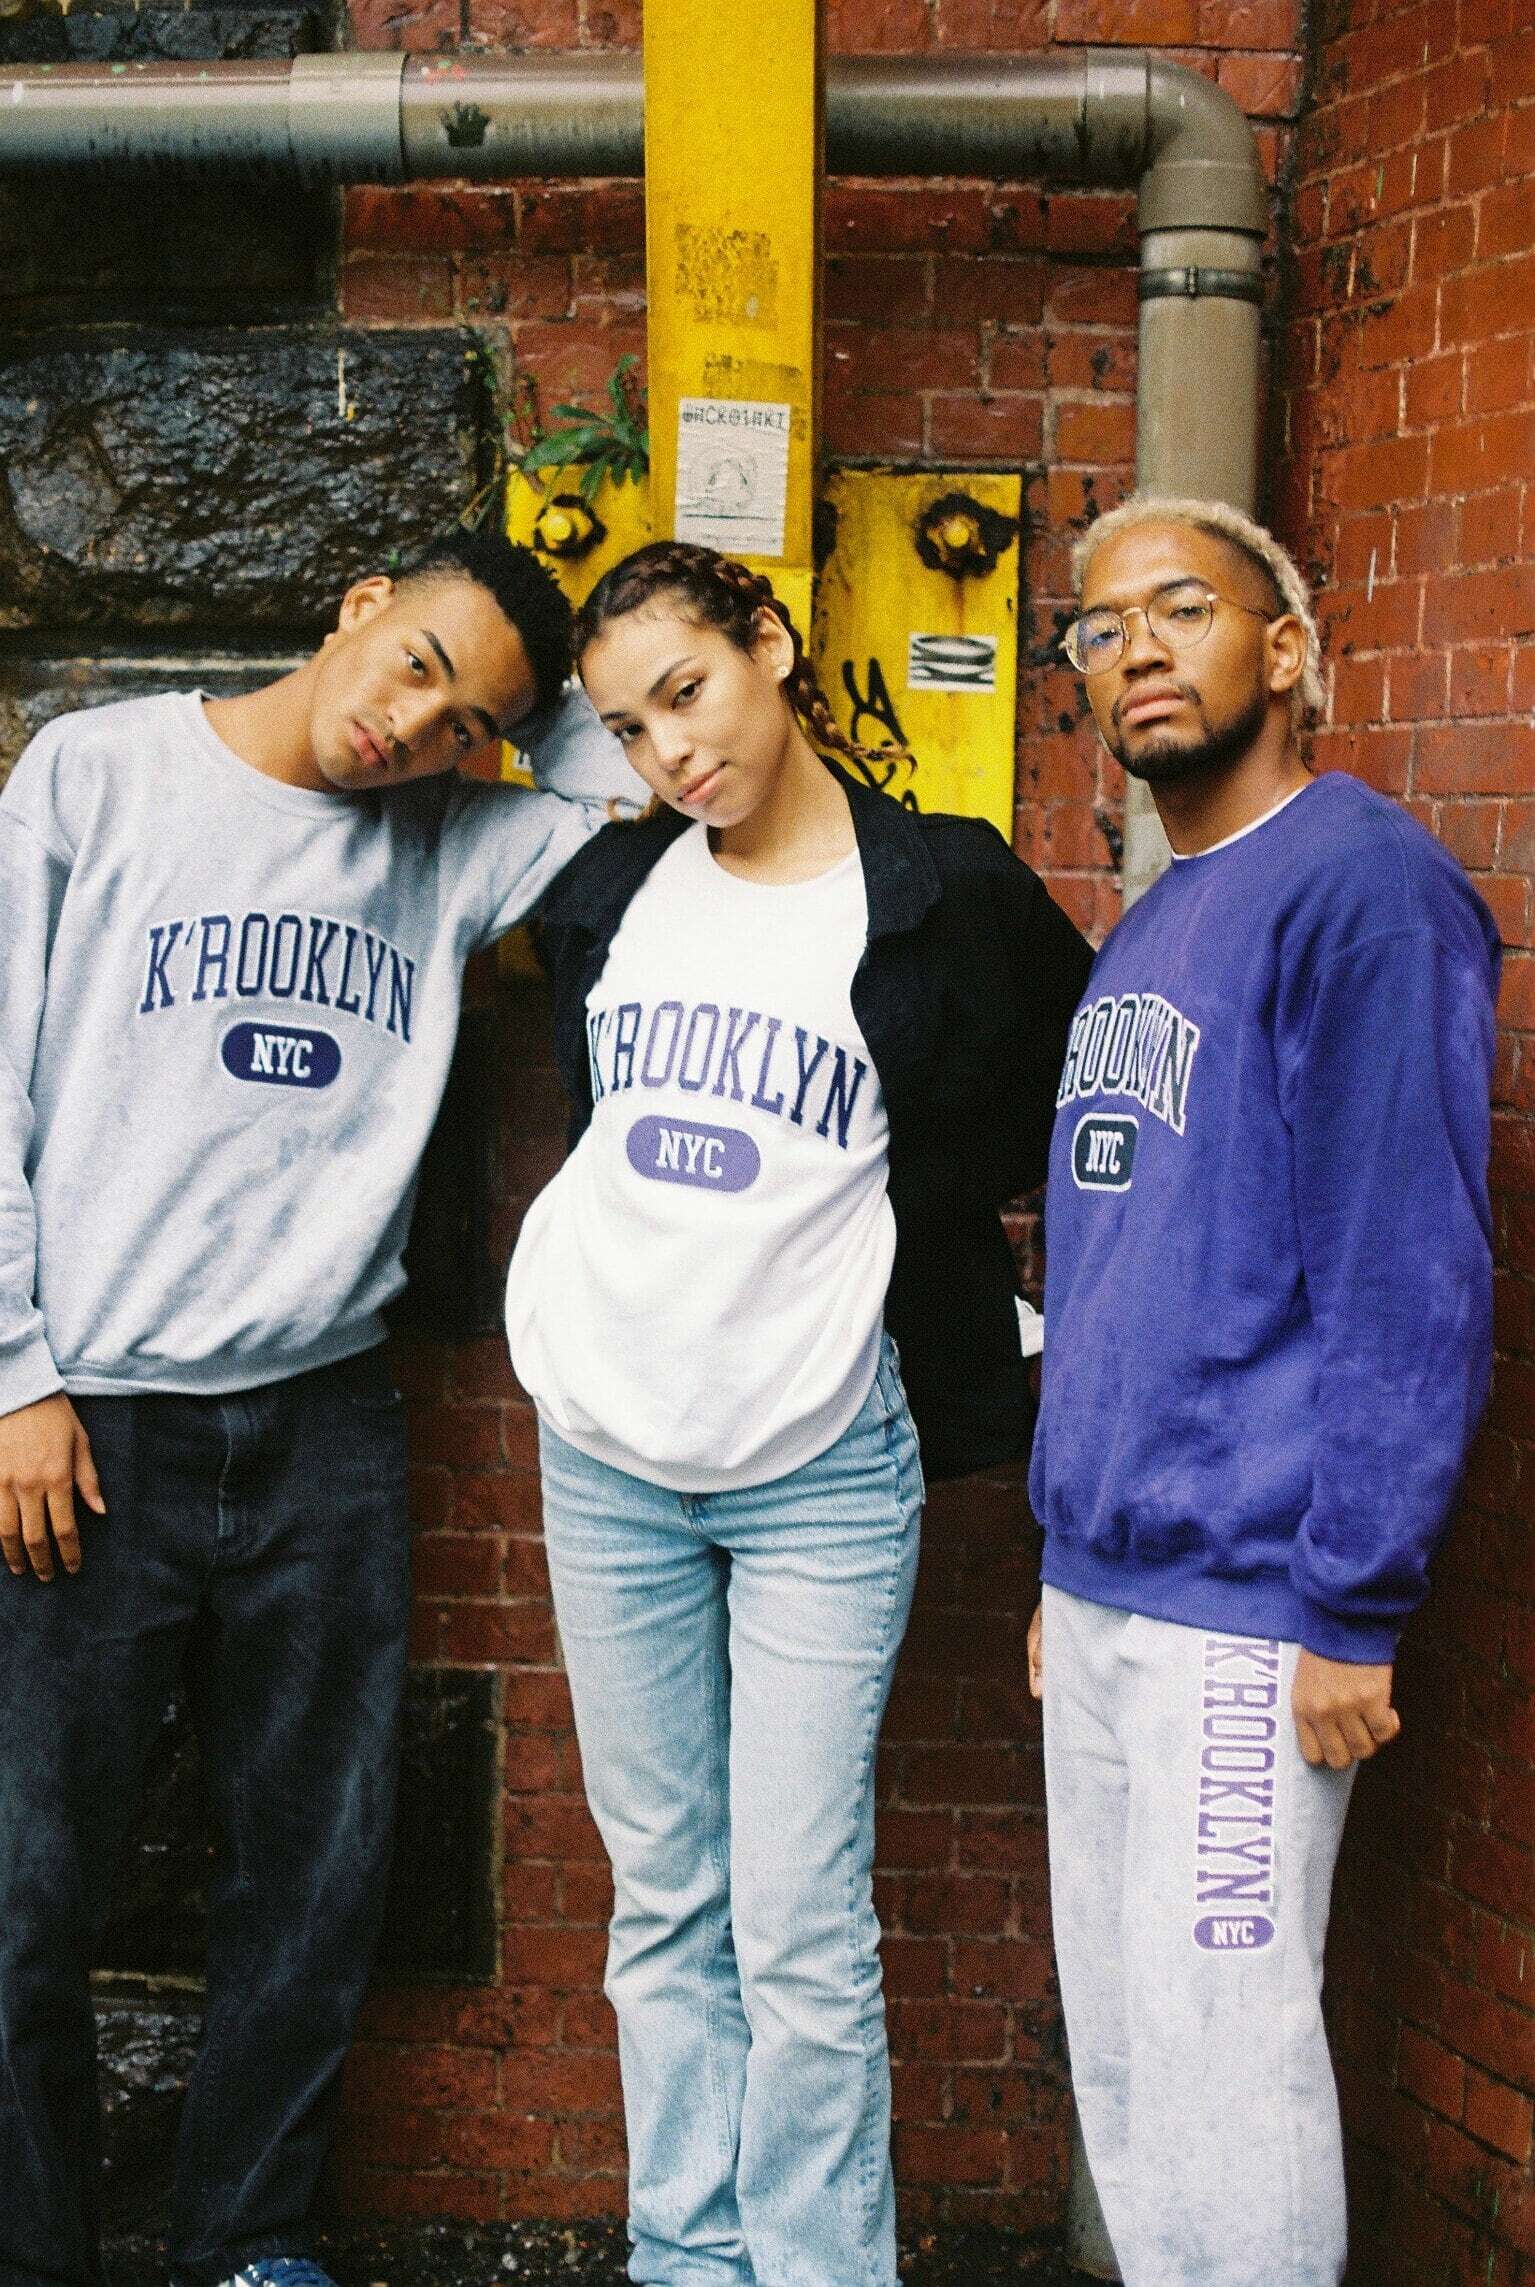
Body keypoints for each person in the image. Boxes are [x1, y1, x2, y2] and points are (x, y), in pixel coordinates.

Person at [0, 524, 642, 2287]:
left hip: (323, 1430)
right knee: (25, 1886)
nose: (414, 728)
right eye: (418, 664)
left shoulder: (453, 841)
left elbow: (641, 801)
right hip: (89, 1424)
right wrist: (14, 1379)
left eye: (467, 725)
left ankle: (251, 2239)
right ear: (360, 604)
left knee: (314, 1869)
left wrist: (524, 711)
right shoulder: (98, 772)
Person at [503, 539, 1092, 2287]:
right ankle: (686, 2260)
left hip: (821, 1463)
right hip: (604, 1451)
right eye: (629, 727)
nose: (670, 751)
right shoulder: (612, 894)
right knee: (664, 1906)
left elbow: (1080, 1106)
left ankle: (824, 2270)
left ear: (770, 644)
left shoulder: (943, 890)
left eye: (687, 692)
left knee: (798, 1922)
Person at [1027, 495, 1500, 2287]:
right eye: (1099, 626)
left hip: (1252, 1606)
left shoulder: (1362, 887)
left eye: (1183, 609)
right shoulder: (1158, 922)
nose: (1134, 648)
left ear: (1287, 651)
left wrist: (1354, 1603)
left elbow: (1408, 1266)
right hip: (1110, 1589)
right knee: (1133, 2072)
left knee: (1228, 2074)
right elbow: (1119, 1269)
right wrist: (1065, 1560)